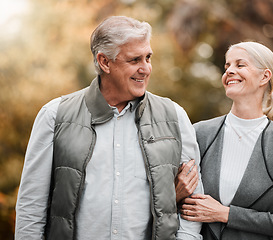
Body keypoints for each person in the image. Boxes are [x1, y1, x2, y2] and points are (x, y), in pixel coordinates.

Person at [15, 16, 203, 240]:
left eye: (148, 58)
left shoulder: (175, 117)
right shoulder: (54, 115)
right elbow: (31, 206)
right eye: (134, 60)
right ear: (104, 62)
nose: (145, 69)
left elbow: (193, 203)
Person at [179, 41, 273, 239]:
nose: (229, 71)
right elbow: (181, 201)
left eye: (240, 65)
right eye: (227, 66)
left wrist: (224, 214)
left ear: (265, 76)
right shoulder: (200, 132)